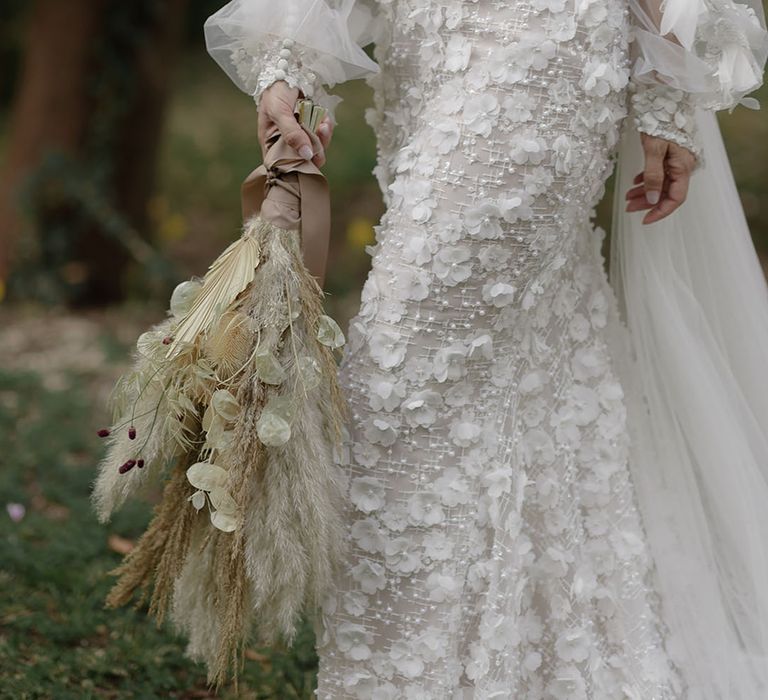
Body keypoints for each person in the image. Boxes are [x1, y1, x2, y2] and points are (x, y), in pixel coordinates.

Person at [204, 0, 768, 697]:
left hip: (546, 49)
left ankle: (404, 679)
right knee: (530, 355)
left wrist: (666, 88)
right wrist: (291, 61)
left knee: (403, 372)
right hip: (426, 52)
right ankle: (553, 663)